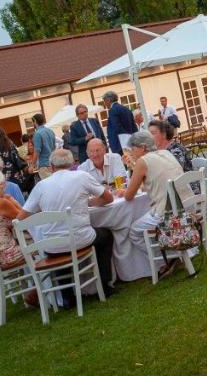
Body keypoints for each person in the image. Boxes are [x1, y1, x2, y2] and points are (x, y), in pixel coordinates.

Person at [21, 148, 115, 300]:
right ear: (72, 164)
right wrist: (90, 202)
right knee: (105, 235)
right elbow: (108, 198)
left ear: (51, 167)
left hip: (52, 247)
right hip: (80, 240)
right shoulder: (82, 176)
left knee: (57, 242)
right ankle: (105, 286)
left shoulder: (41, 186)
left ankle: (67, 297)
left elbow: (21, 217)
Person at [123, 129, 186, 277]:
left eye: (133, 148)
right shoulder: (166, 153)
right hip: (186, 205)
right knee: (148, 215)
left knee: (134, 231)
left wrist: (122, 192)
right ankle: (174, 254)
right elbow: (156, 180)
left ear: (143, 147)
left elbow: (128, 196)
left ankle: (167, 260)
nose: (132, 152)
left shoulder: (142, 161)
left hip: (170, 213)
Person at [30, 114, 57, 178]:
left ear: (35, 121)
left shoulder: (37, 134)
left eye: (32, 122)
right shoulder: (50, 131)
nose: (32, 124)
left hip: (44, 165)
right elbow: (54, 147)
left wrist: (32, 166)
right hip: (53, 163)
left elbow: (37, 151)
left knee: (48, 186)